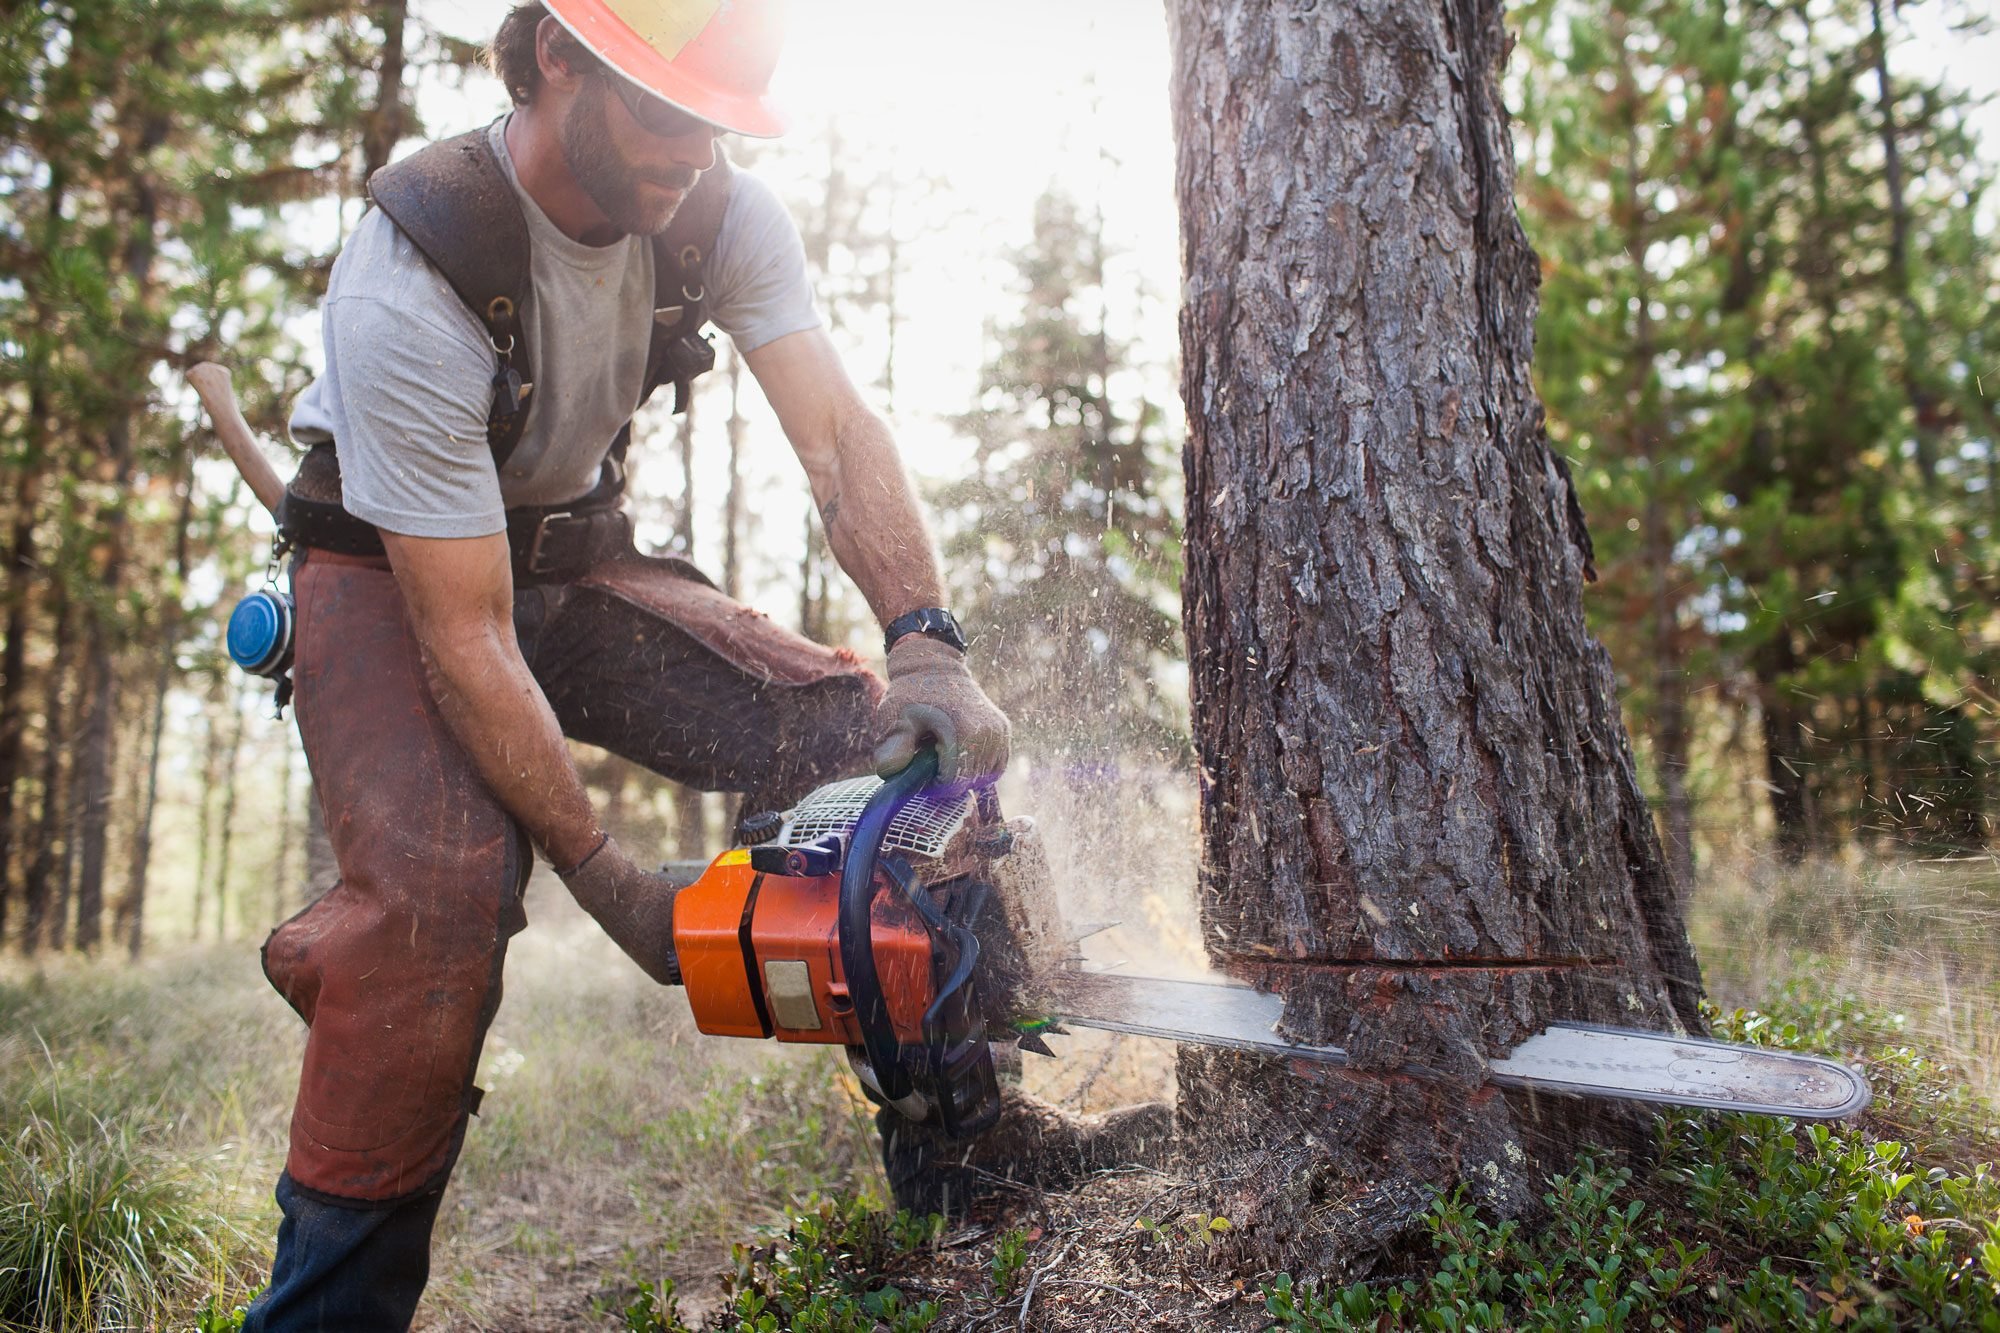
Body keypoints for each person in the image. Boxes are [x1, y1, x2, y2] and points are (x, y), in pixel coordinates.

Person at [241, 2, 1014, 1326]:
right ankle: (324, 1308)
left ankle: (967, 1167)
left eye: (713, 124)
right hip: (387, 569)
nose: (688, 157)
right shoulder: (417, 260)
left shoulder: (718, 211)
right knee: (437, 901)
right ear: (555, 55)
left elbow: (832, 435)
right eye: (663, 112)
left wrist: (926, 641)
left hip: (567, 552)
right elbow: (467, 629)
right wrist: (607, 877)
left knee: (869, 735)